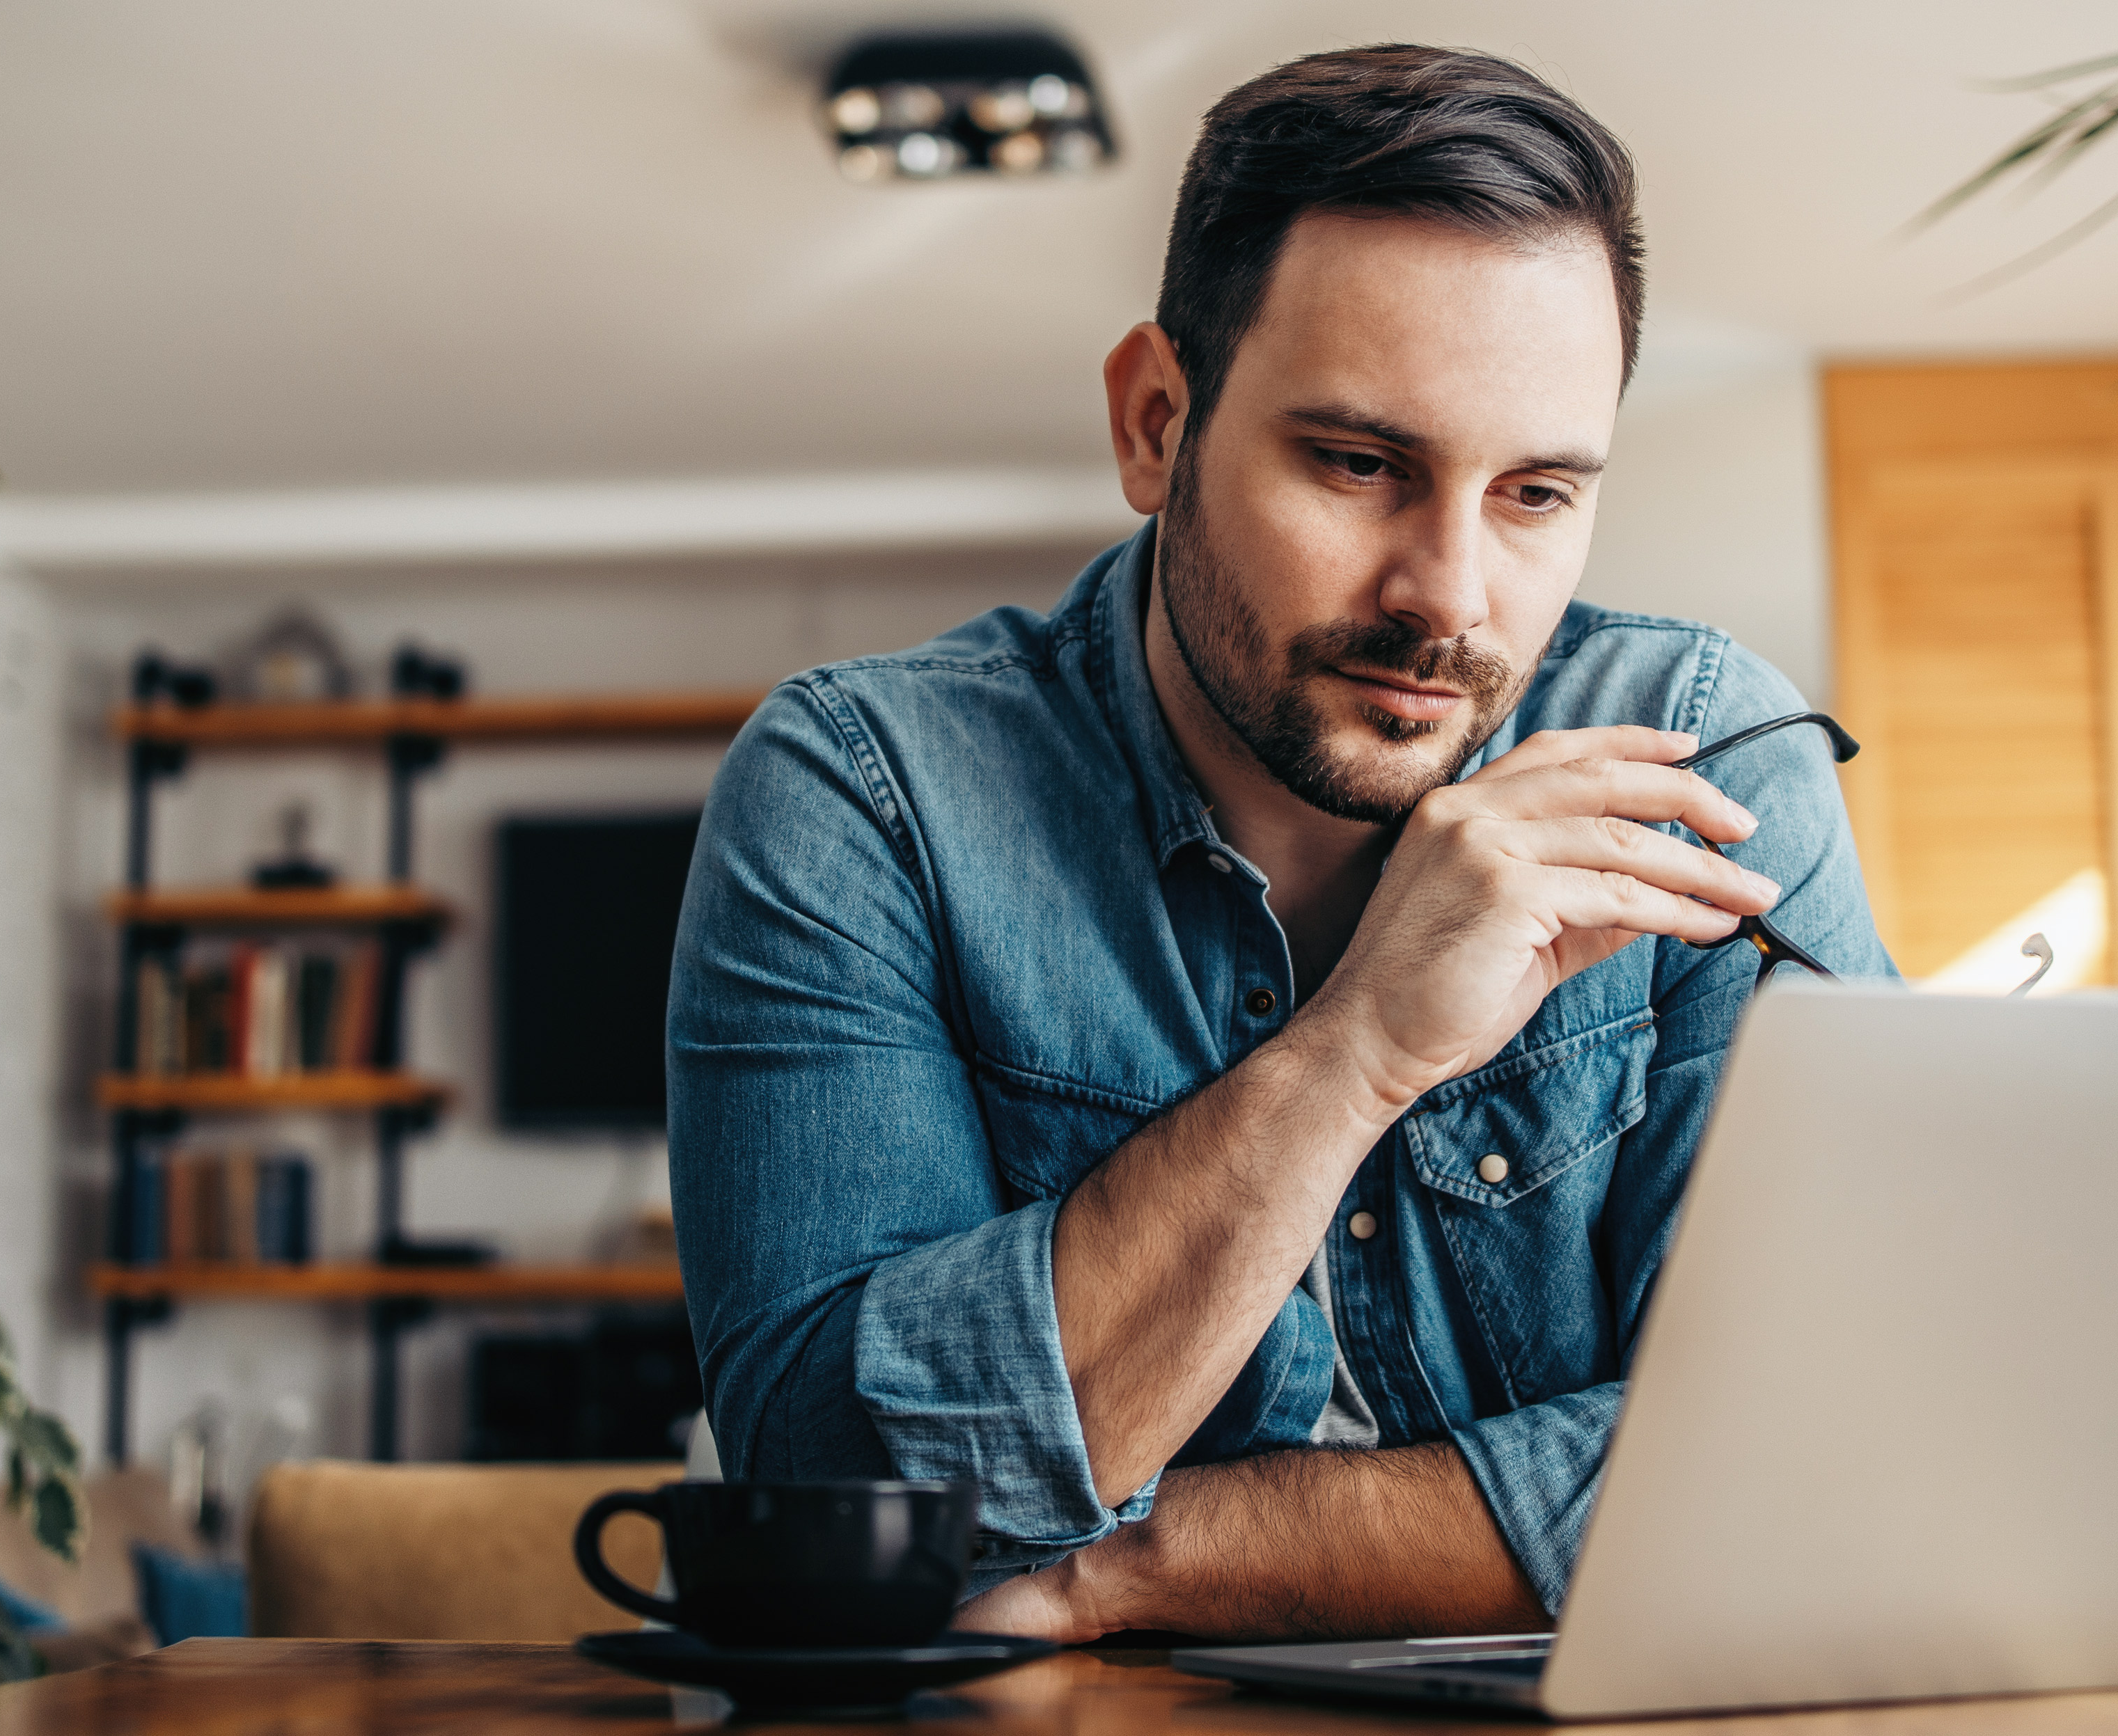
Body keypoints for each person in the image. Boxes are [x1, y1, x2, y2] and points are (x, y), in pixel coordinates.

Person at [666, 43, 1891, 1643]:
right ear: (1157, 421)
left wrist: (1130, 1560)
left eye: (1533, 493)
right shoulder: (866, 793)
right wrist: (1358, 1048)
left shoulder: (1706, 758)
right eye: (1362, 464)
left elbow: (1840, 1449)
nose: (1447, 598)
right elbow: (840, 1502)